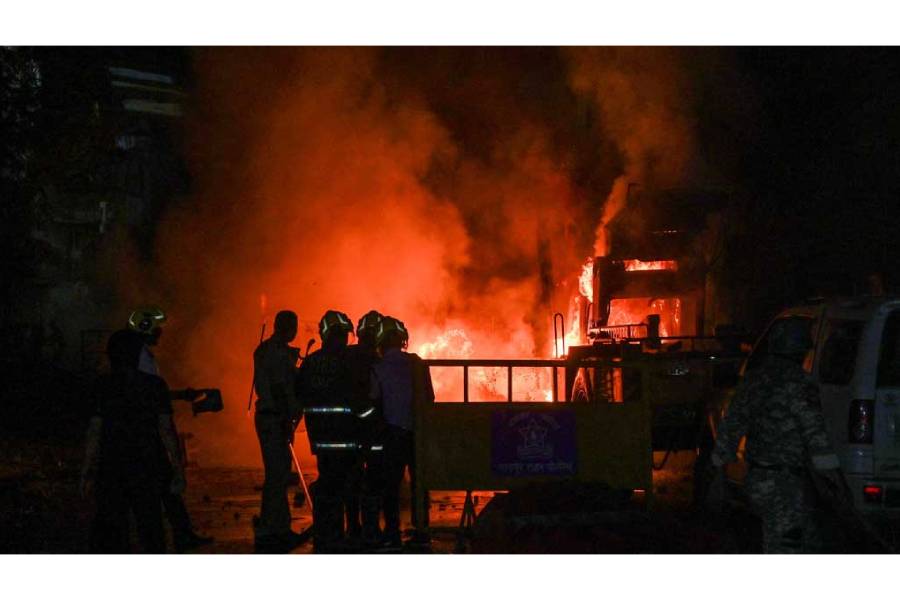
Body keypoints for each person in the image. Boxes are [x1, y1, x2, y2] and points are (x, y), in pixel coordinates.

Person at [710, 318, 850, 553]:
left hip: (757, 480)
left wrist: (716, 472)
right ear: (799, 349)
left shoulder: (753, 381)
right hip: (784, 486)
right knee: (785, 547)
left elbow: (731, 427)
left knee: (803, 538)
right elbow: (817, 437)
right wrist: (836, 481)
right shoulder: (799, 384)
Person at [80, 329, 178, 553]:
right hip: (147, 467)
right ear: (136, 355)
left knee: (113, 535)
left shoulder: (103, 386)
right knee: (151, 530)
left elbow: (94, 432)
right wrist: (178, 470)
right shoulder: (155, 386)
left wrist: (86, 471)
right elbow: (167, 430)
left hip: (111, 469)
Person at [126, 307, 213, 552]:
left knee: (166, 487)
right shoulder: (141, 358)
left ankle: (181, 534)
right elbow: (149, 394)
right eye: (157, 327)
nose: (160, 332)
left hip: (144, 429)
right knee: (163, 484)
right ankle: (166, 540)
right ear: (145, 327)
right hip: (146, 431)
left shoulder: (138, 355)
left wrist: (182, 395)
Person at [296, 309, 365, 552]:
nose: (346, 339)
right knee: (351, 484)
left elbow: (299, 395)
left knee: (328, 482)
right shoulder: (348, 361)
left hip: (321, 438)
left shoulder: (311, 362)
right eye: (343, 334)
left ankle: (330, 532)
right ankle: (352, 530)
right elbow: (359, 397)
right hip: (347, 436)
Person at [369, 316, 434, 550]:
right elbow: (430, 398)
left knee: (391, 485)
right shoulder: (417, 363)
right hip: (417, 433)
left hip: (391, 433)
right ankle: (422, 528)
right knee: (419, 481)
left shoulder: (377, 368)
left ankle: (392, 531)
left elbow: (374, 401)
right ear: (402, 339)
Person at [252, 309, 305, 552]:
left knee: (276, 475)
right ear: (286, 327)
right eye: (292, 326)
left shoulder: (267, 350)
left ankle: (269, 525)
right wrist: (287, 418)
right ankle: (277, 530)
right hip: (275, 418)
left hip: (270, 417)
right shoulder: (276, 353)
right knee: (277, 475)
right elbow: (280, 387)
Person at [345, 310, 385, 546]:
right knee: (373, 480)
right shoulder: (378, 361)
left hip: (348, 429)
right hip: (373, 430)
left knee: (352, 477)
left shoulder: (346, 356)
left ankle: (353, 527)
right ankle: (371, 528)